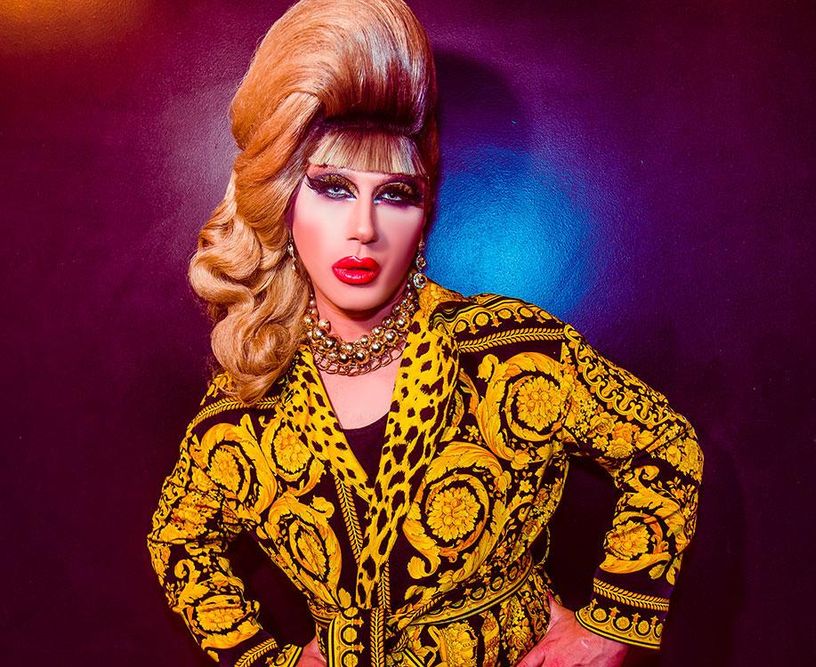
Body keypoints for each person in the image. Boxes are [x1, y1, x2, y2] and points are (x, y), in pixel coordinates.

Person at [146, 1, 704, 665]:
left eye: (395, 194)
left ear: (424, 211)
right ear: (285, 201)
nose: (364, 228)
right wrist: (264, 658)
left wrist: (612, 624)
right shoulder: (246, 397)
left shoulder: (514, 353)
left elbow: (666, 448)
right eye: (332, 188)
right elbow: (178, 541)